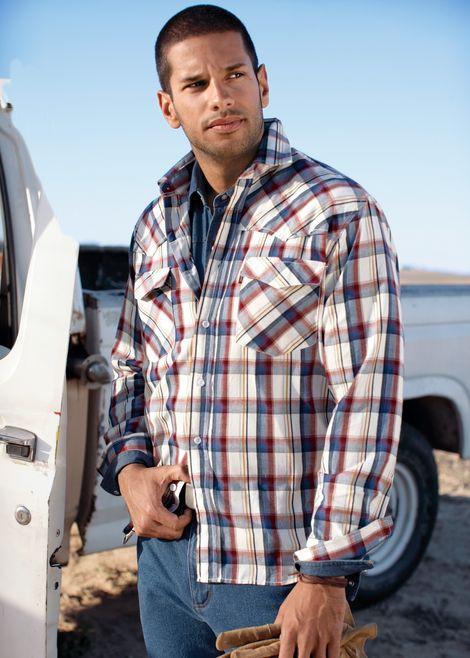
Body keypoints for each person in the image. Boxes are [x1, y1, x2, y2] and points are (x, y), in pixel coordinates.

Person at [99, 5, 404, 657]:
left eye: (234, 75)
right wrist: (129, 468)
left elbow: (367, 397)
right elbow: (130, 366)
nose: (220, 96)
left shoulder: (337, 211)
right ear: (168, 105)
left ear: (261, 82)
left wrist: (326, 576)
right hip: (165, 566)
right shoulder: (153, 226)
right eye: (196, 84)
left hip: (276, 579)